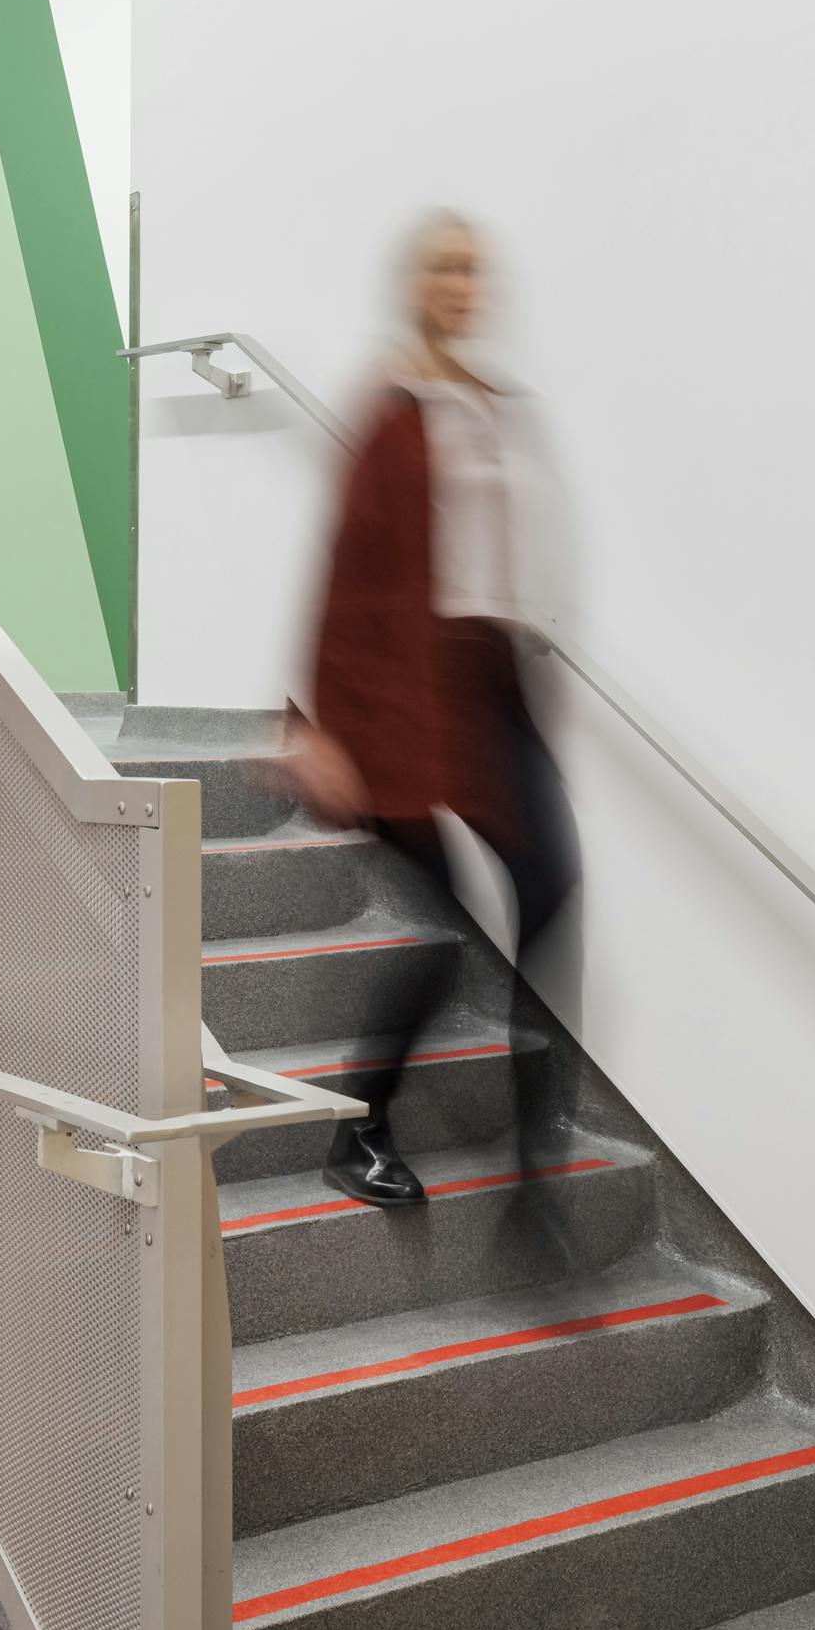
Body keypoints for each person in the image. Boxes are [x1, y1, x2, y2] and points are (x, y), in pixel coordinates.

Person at [288, 212, 581, 1210]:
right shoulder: (393, 411)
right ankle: (358, 1123)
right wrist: (320, 726)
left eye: (474, 268)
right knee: (439, 927)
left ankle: (537, 1138)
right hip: (405, 695)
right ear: (416, 283)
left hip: (492, 682)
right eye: (445, 267)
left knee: (549, 885)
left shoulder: (493, 403)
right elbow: (347, 571)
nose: (463, 283)